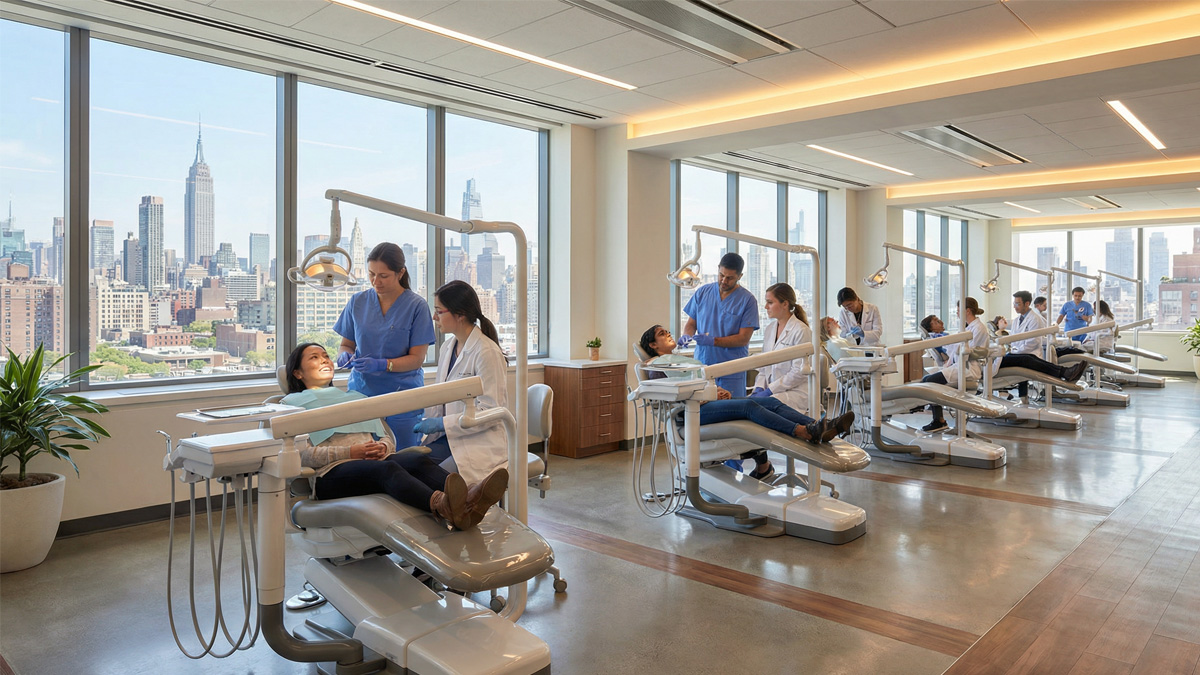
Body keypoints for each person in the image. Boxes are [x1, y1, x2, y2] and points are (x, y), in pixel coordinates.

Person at [282, 343, 507, 531]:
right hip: (331, 475)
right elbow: (301, 455)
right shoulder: (291, 407)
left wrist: (383, 447)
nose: (324, 360)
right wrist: (351, 452)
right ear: (297, 373)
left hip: (371, 463)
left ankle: (468, 500)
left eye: (326, 356)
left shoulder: (354, 398)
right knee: (387, 470)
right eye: (314, 357)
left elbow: (386, 438)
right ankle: (445, 506)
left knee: (416, 460)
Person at [639, 324, 854, 482]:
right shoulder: (654, 366)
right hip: (691, 412)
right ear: (652, 345)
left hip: (706, 402)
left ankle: (819, 427)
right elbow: (673, 395)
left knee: (767, 401)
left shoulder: (679, 360)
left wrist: (717, 390)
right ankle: (802, 432)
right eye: (661, 334)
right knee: (749, 407)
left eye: (667, 331)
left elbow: (701, 380)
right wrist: (707, 396)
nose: (668, 333)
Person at [334, 243, 436, 448]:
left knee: (404, 457)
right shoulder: (358, 301)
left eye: (383, 275)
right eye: (372, 274)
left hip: (402, 397)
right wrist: (344, 355)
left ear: (401, 273)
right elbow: (346, 344)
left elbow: (416, 359)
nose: (375, 281)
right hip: (362, 394)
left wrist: (383, 364)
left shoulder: (416, 306)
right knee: (366, 459)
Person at [414, 280, 511, 490]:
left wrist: (442, 423)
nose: (434, 317)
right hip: (450, 438)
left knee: (435, 481)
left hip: (478, 442)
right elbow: (441, 397)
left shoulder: (486, 352)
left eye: (439, 311)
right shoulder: (448, 347)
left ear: (460, 314)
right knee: (408, 465)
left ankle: (466, 513)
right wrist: (430, 423)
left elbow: (490, 411)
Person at [681, 252, 759, 398]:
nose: (724, 280)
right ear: (718, 269)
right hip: (703, 367)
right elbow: (691, 324)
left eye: (730, 278)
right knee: (702, 414)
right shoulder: (703, 292)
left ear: (740, 276)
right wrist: (686, 337)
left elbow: (743, 338)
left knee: (731, 414)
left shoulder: (747, 301)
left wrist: (713, 341)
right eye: (721, 275)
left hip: (731, 371)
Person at [918, 297, 997, 432]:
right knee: (926, 380)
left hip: (969, 369)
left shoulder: (978, 328)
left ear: (967, 311)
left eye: (958, 310)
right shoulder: (967, 328)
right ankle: (938, 420)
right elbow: (956, 349)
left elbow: (966, 351)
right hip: (959, 366)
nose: (957, 313)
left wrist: (951, 348)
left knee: (930, 381)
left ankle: (937, 419)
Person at [1002, 291, 1088, 401]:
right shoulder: (1016, 320)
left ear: (1027, 303)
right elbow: (1013, 340)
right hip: (1019, 353)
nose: (1014, 306)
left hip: (1028, 352)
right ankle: (1064, 372)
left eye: (1017, 304)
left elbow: (1033, 342)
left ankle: (1065, 372)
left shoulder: (1035, 319)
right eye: (1014, 303)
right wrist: (1015, 349)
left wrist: (1016, 350)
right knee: (1024, 359)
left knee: (1025, 359)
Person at [751, 283, 815, 415]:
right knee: (747, 404)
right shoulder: (769, 330)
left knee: (761, 407)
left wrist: (770, 391)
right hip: (773, 390)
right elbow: (764, 365)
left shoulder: (801, 331)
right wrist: (758, 388)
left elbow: (799, 371)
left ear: (785, 304)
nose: (765, 307)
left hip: (795, 392)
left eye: (770, 302)